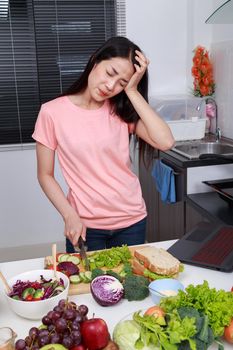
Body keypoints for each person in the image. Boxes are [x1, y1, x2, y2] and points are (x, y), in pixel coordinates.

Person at [32, 36, 174, 253]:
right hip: (85, 224)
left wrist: (133, 92)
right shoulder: (52, 112)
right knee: (87, 286)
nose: (111, 86)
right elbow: (45, 175)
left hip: (131, 220)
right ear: (94, 60)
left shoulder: (121, 111)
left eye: (122, 83)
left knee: (129, 285)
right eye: (110, 73)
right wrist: (69, 215)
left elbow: (165, 141)